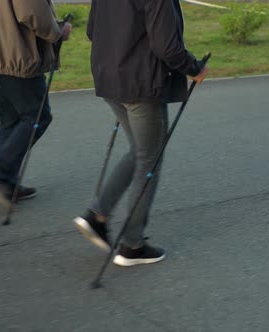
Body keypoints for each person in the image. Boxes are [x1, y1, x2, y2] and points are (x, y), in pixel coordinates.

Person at [74, 0, 209, 266]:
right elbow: (167, 47)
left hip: (110, 79)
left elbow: (92, 30)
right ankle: (132, 245)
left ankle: (98, 215)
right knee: (150, 160)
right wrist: (194, 68)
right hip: (141, 84)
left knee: (140, 151)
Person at [0, 0, 72, 207]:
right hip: (15, 53)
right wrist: (58, 32)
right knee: (38, 116)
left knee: (10, 118)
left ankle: (5, 184)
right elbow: (31, 11)